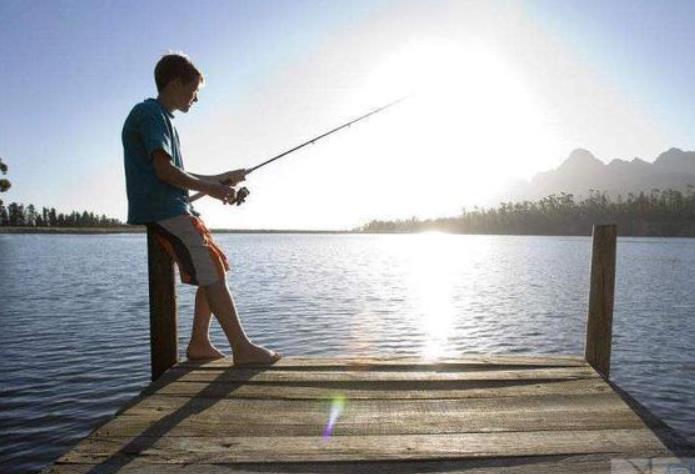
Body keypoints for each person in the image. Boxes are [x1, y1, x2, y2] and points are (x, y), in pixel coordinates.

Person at [122, 52, 281, 365]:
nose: (195, 98)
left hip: (173, 207)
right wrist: (211, 187)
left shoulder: (162, 119)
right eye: (193, 90)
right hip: (164, 210)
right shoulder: (150, 114)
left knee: (215, 266)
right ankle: (242, 349)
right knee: (211, 271)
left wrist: (221, 180)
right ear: (176, 82)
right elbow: (164, 172)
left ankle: (199, 343)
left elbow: (177, 176)